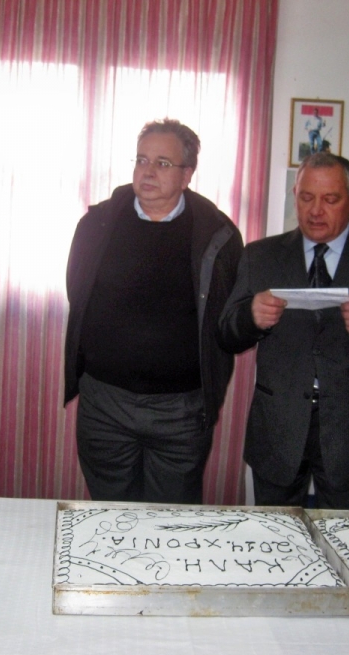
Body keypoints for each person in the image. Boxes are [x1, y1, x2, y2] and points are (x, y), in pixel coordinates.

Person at [218, 152, 349, 509]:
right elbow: (226, 335)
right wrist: (250, 317)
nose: (316, 211)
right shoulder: (260, 255)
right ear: (295, 195)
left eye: (330, 199)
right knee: (275, 535)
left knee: (343, 535)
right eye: (306, 197)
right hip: (279, 427)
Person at [64, 118, 243, 504]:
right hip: (106, 404)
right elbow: (76, 290)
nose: (148, 171)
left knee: (170, 522)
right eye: (142, 159)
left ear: (187, 175)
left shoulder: (219, 236)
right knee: (110, 518)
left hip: (181, 410)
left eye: (163, 163)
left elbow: (227, 318)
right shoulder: (96, 224)